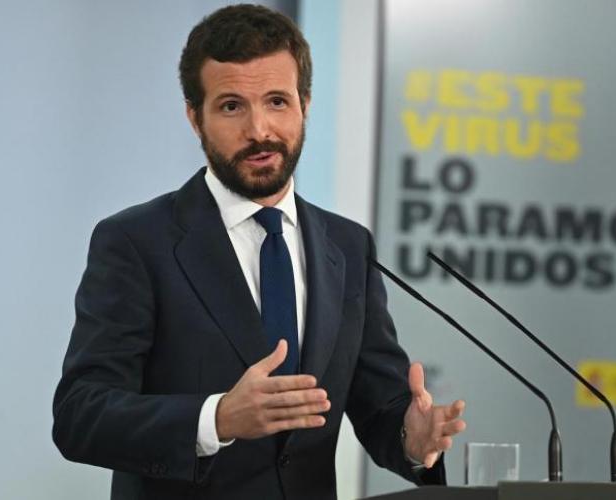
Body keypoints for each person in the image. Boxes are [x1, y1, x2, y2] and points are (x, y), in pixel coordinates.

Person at [52, 4, 466, 499]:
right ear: (195, 117)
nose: (259, 130)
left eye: (277, 102)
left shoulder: (347, 246)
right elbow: (81, 414)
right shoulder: (138, 241)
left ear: (304, 105)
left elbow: (379, 405)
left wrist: (411, 439)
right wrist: (217, 418)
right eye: (232, 106)